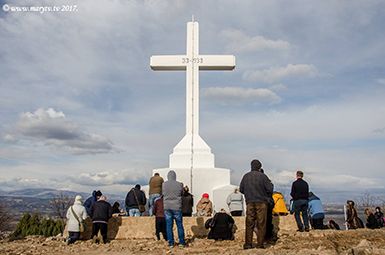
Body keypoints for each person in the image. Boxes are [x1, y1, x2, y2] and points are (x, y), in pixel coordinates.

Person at [239, 159, 273, 249]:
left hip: (249, 202)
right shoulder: (263, 176)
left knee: (249, 223)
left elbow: (241, 189)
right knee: (261, 223)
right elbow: (270, 189)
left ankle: (248, 244)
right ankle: (260, 244)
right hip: (261, 202)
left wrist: (249, 193)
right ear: (259, 167)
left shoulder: (246, 176)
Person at [162, 170, 186, 248]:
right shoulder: (179, 184)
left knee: (169, 226)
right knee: (179, 225)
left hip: (167, 207)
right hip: (177, 207)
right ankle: (181, 242)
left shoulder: (164, 184)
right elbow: (182, 194)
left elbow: (162, 194)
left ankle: (171, 243)